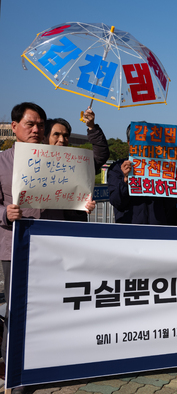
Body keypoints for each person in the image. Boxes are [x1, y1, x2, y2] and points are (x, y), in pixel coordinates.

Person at [0, 103, 94, 389]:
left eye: (40, 124)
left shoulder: (61, 160)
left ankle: (45, 362)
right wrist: (5, 213)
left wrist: (84, 205)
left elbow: (72, 199)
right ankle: (12, 368)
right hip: (13, 247)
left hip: (52, 247)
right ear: (14, 126)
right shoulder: (2, 161)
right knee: (16, 308)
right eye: (30, 124)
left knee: (50, 306)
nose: (36, 129)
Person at [107, 124, 177, 225]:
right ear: (129, 142)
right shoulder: (118, 168)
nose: (145, 144)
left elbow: (169, 204)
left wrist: (176, 181)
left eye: (149, 140)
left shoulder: (162, 167)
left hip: (157, 229)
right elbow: (116, 202)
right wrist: (125, 180)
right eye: (141, 139)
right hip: (128, 229)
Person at [44, 107, 109, 174]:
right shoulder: (35, 160)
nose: (62, 140)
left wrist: (92, 127)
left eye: (65, 136)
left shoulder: (76, 161)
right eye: (56, 134)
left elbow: (100, 155)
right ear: (44, 138)